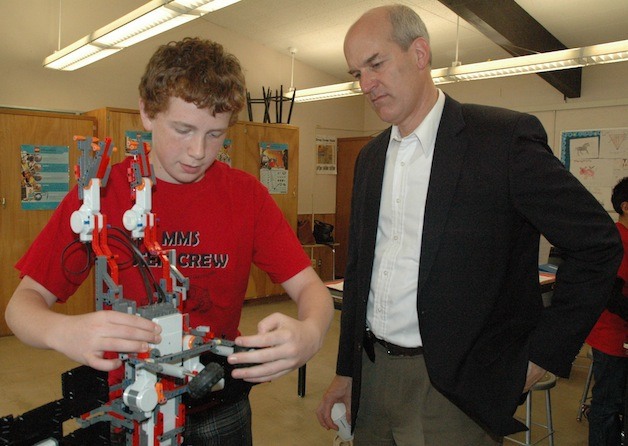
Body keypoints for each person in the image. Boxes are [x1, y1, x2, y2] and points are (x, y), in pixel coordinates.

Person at [316, 4, 622, 445]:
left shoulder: (501, 141)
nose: (365, 84)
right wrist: (346, 371)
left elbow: (597, 244)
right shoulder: (371, 158)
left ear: (419, 53)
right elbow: (362, 269)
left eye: (375, 64)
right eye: (355, 73)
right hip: (372, 373)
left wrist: (544, 354)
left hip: (453, 387)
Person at [5, 37, 333, 445]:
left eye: (216, 135)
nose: (198, 151)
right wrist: (63, 331)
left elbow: (309, 288)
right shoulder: (102, 194)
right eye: (183, 129)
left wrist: (312, 333)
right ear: (146, 111)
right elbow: (22, 306)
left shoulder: (245, 196)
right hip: (130, 410)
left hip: (219, 410)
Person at [586, 177, 628, 446]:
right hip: (611, 338)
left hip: (620, 335)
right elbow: (611, 296)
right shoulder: (616, 239)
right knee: (607, 407)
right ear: (626, 206)